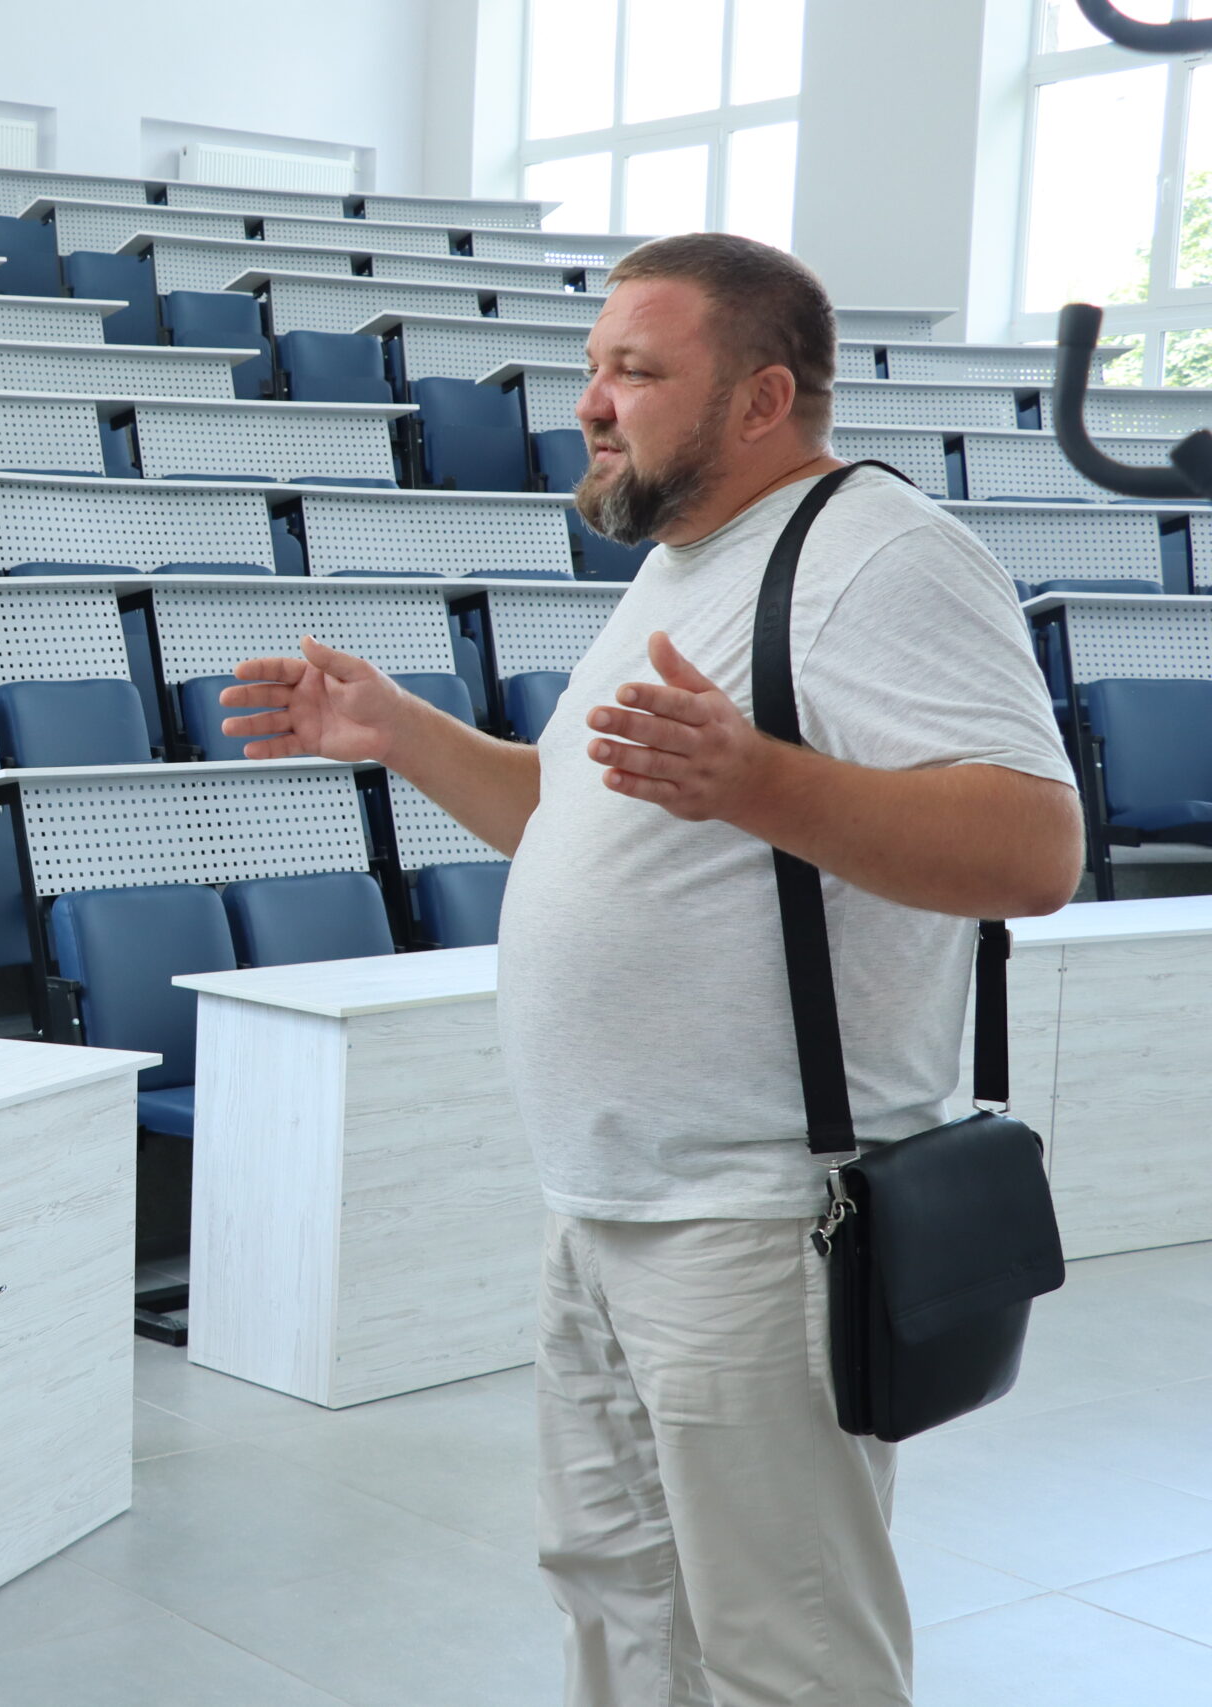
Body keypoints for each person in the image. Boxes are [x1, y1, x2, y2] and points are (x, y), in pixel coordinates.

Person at [222, 233, 1085, 1707]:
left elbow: (1032, 848)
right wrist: (400, 733)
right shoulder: (690, 565)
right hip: (614, 1203)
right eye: (592, 368)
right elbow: (575, 820)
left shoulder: (881, 554)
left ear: (761, 400)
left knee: (787, 1654)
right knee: (621, 1606)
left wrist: (760, 781)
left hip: (759, 1220)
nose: (590, 403)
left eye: (634, 371)